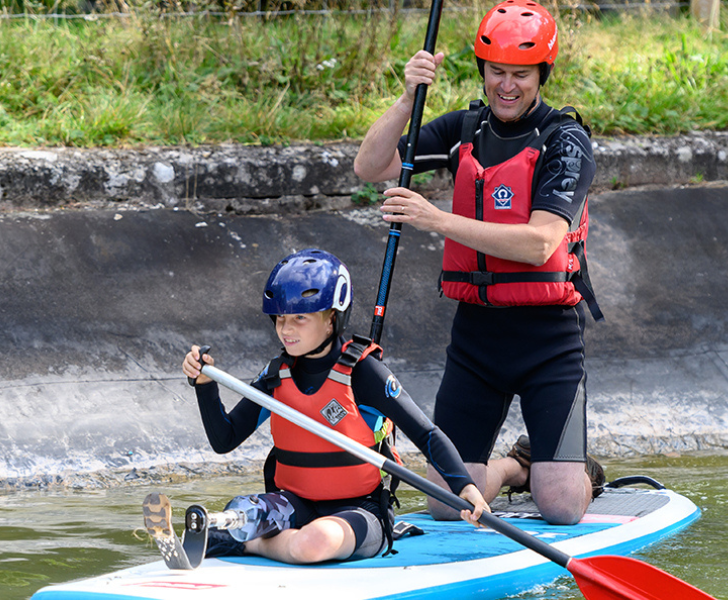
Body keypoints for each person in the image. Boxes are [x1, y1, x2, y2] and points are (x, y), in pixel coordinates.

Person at [353, 0, 605, 526]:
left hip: (549, 341)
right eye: (496, 72)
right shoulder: (464, 130)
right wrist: (406, 98)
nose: (506, 86)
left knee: (560, 508)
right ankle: (517, 468)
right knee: (444, 503)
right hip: (477, 339)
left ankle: (569, 475)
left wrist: (435, 219)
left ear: (542, 75)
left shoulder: (566, 140)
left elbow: (540, 244)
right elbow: (369, 166)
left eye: (520, 74)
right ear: (482, 71)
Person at [182, 248, 490, 564]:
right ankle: (239, 532)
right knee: (242, 511)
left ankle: (251, 544)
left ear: (331, 318)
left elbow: (426, 434)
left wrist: (464, 486)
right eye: (281, 318)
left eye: (300, 318)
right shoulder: (277, 374)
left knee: (314, 543)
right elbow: (225, 440)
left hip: (359, 511)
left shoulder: (364, 372)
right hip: (293, 504)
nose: (286, 330)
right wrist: (205, 388)